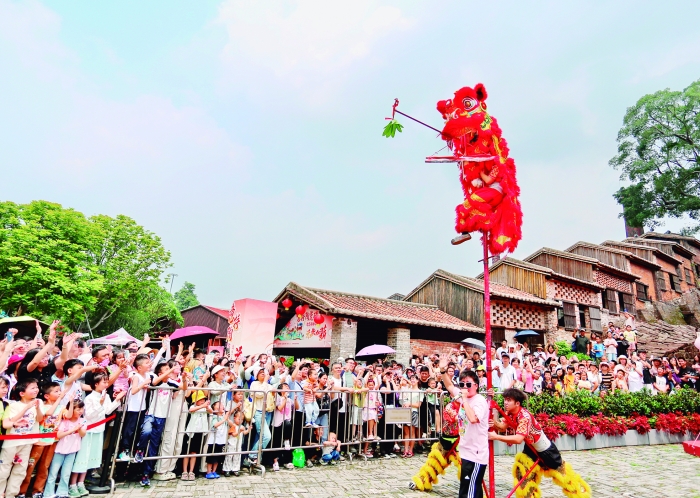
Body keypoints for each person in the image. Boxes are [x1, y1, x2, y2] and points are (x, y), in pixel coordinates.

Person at [488, 388, 590, 498]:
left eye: (509, 400)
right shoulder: (510, 413)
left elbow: (518, 439)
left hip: (546, 451)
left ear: (517, 403)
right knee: (522, 474)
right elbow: (502, 427)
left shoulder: (524, 417)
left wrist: (496, 437)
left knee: (566, 478)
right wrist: (494, 420)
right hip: (530, 448)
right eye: (505, 400)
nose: (505, 402)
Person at [440, 358, 489, 498]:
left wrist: (465, 399)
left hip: (476, 454)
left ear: (476, 386)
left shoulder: (479, 401)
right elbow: (450, 386)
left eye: (468, 384)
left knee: (469, 492)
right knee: (469, 490)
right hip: (466, 451)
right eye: (462, 384)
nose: (465, 387)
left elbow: (473, 419)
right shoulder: (463, 397)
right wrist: (442, 371)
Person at [0, 379, 45, 498]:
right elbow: (9, 422)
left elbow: (39, 419)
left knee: (20, 470)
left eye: (36, 387)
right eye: (32, 388)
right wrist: (26, 408)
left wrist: (37, 408)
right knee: (4, 470)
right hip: (11, 442)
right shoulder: (12, 405)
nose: (36, 390)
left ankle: (11, 495)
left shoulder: (39, 402)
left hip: (27, 442)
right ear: (22, 393)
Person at [43, 400, 87, 498]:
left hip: (72, 450)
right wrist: (73, 429)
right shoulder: (64, 421)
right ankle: (48, 493)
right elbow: (59, 435)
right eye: (78, 409)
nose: (81, 411)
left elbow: (83, 434)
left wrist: (79, 428)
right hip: (60, 450)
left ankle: (62, 493)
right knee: (53, 472)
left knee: (66, 473)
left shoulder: (83, 421)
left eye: (82, 409)